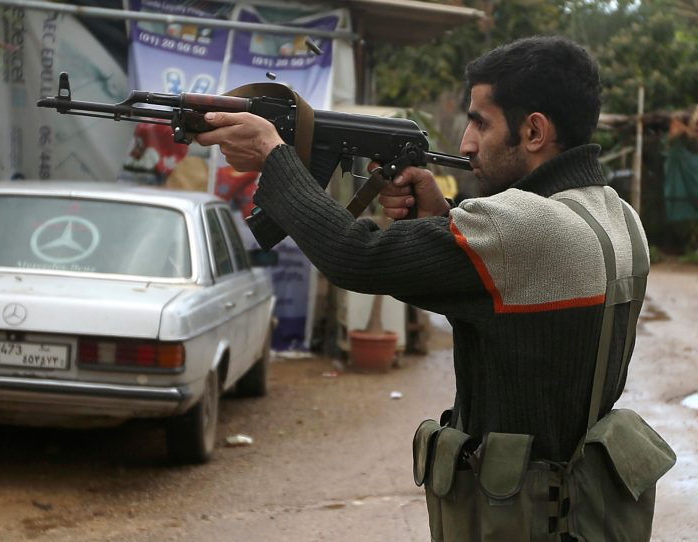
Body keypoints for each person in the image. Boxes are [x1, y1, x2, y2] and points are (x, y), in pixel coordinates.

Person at [196, 35, 674, 541]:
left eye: (480, 122)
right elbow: (512, 311)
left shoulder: (521, 225)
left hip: (519, 521)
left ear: (534, 131)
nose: (466, 143)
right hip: (584, 517)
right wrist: (440, 221)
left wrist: (275, 156)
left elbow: (356, 257)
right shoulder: (618, 216)